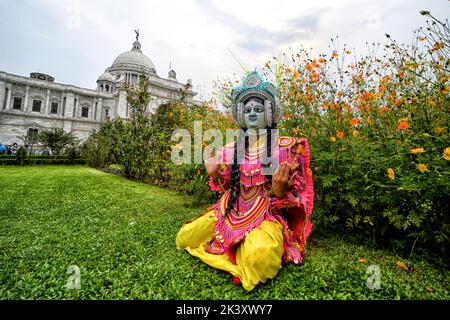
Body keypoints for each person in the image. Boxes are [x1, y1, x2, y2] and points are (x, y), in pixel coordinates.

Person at [176, 71, 314, 291]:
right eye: (247, 109)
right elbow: (227, 186)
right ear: (240, 115)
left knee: (258, 259)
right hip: (230, 210)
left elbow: (295, 199)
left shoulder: (286, 148)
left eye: (258, 109)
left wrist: (279, 192)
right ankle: (236, 245)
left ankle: (245, 248)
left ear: (269, 115)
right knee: (185, 237)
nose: (252, 114)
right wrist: (215, 174)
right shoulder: (231, 149)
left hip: (264, 213)